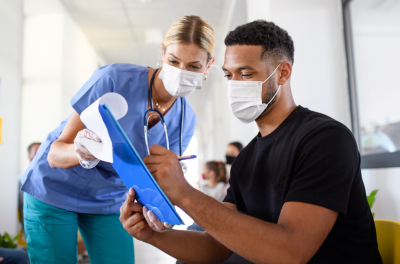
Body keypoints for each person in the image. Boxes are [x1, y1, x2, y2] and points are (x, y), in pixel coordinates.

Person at [120, 20, 383, 264]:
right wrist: (152, 235)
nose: (234, 84)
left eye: (245, 74)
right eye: (228, 75)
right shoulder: (246, 159)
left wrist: (185, 194)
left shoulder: (324, 139)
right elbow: (216, 247)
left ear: (283, 73)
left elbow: (291, 252)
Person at [20, 15, 216, 264]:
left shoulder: (185, 120)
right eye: (174, 61)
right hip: (54, 189)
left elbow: (157, 180)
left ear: (208, 67)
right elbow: (55, 153)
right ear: (162, 53)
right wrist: (81, 151)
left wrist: (162, 211)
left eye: (194, 66)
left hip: (109, 201)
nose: (180, 72)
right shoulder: (114, 79)